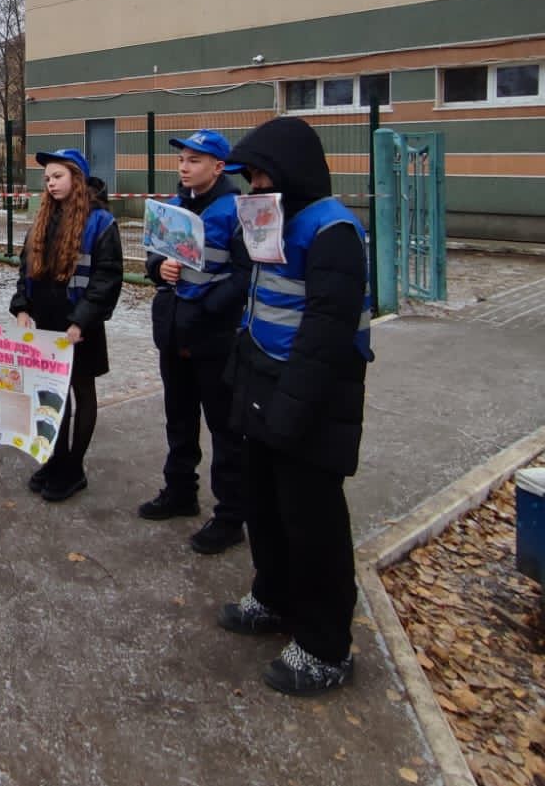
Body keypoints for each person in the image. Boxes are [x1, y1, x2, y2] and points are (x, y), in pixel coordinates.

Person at [215, 116, 373, 697]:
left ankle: (327, 645)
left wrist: (288, 411)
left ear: (290, 172)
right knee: (266, 507)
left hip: (311, 399)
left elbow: (326, 334)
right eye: (250, 178)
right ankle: (274, 596)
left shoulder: (332, 231)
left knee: (314, 523)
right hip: (262, 383)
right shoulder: (274, 221)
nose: (253, 187)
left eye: (260, 176)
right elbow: (256, 296)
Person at [139, 130, 252, 555]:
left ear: (218, 167)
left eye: (194, 160)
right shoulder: (172, 207)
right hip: (173, 331)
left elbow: (245, 274)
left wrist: (206, 307)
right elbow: (154, 256)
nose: (184, 167)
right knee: (179, 418)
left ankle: (229, 517)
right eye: (182, 160)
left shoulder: (236, 211)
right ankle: (180, 491)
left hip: (215, 336)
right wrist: (158, 269)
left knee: (224, 429)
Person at [9, 149, 123, 502]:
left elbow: (107, 279)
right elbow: (25, 271)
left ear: (77, 177)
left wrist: (81, 322)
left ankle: (74, 468)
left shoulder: (101, 222)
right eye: (47, 178)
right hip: (45, 326)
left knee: (81, 392)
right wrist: (21, 307)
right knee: (51, 397)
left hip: (79, 328)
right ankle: (56, 459)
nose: (51, 183)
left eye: (57, 176)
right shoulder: (43, 218)